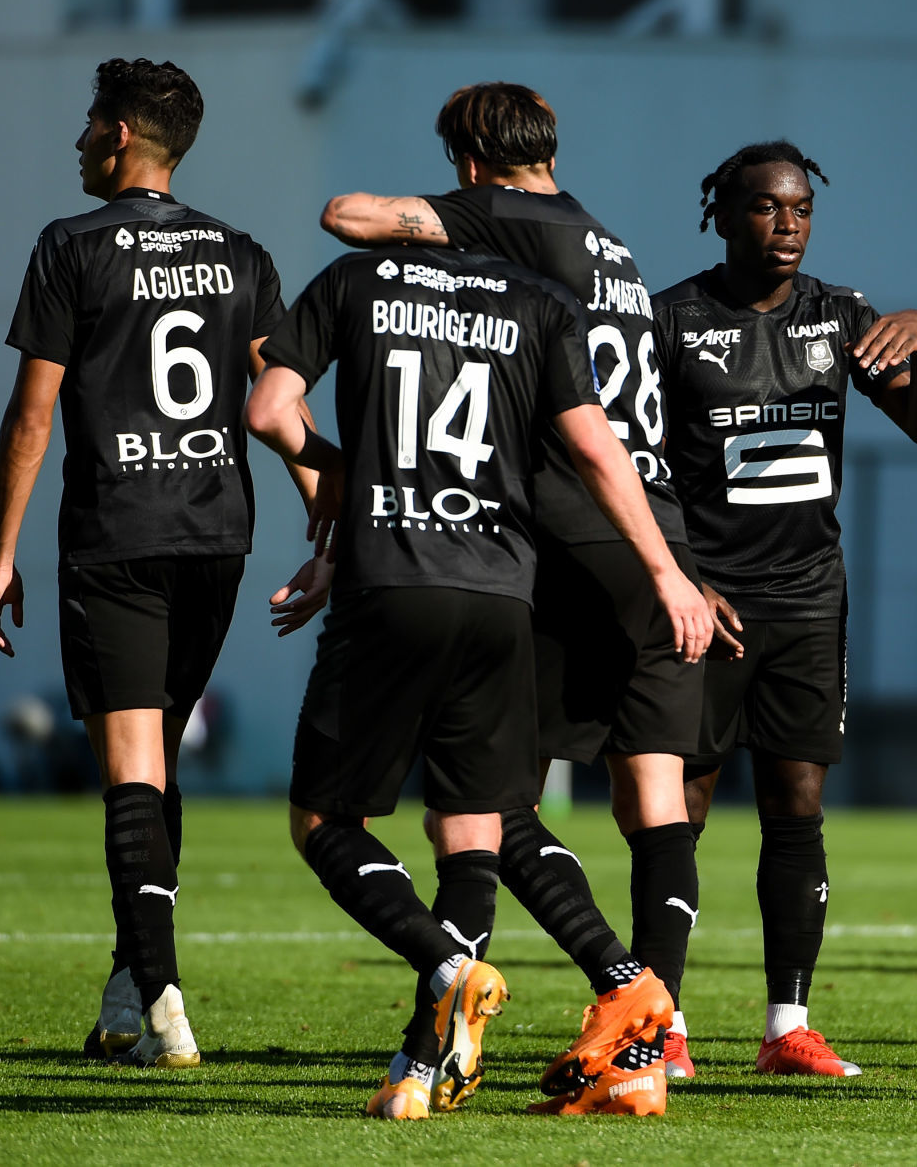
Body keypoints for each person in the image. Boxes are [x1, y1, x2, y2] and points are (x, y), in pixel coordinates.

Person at [246, 238, 710, 1118]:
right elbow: (600, 453)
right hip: (503, 595)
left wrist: (339, 476)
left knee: (323, 821)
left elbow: (269, 408)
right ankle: (443, 1062)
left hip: (393, 585)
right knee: (482, 827)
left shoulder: (356, 278)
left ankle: (452, 967)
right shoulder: (538, 301)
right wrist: (667, 572)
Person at [320, 83, 709, 1079]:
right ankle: (655, 1032)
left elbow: (348, 218)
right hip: (652, 525)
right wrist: (673, 569)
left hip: (557, 534)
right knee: (655, 796)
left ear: (471, 156)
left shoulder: (493, 213)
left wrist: (433, 219)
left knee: (484, 803)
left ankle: (448, 1021)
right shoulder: (607, 242)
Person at [0, 59, 321, 1068]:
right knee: (156, 756)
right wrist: (322, 518)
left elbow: (32, 414)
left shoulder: (70, 245)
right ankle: (131, 984)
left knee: (130, 765)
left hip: (119, 535)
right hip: (218, 534)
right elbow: (282, 407)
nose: (78, 140)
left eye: (89, 123)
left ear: (122, 134)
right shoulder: (241, 253)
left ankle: (166, 1000)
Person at [656, 141, 917, 1077]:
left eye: (800, 210)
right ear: (722, 214)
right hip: (705, 605)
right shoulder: (672, 320)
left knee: (797, 805)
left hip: (808, 604)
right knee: (682, 806)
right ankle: (659, 1021)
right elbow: (633, 465)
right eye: (765, 209)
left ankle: (788, 1024)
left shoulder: (841, 317)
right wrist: (680, 573)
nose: (786, 226)